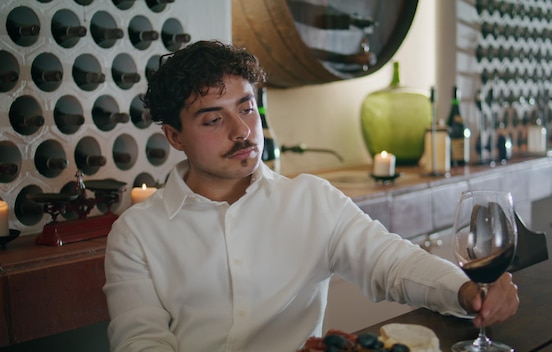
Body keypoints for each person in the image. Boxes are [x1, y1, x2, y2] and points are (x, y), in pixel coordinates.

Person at [103, 40, 519, 351]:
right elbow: (141, 344)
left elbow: (392, 263)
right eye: (214, 119)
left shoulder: (311, 200)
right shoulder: (137, 233)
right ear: (174, 136)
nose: (242, 131)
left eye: (246, 108)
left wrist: (466, 291)